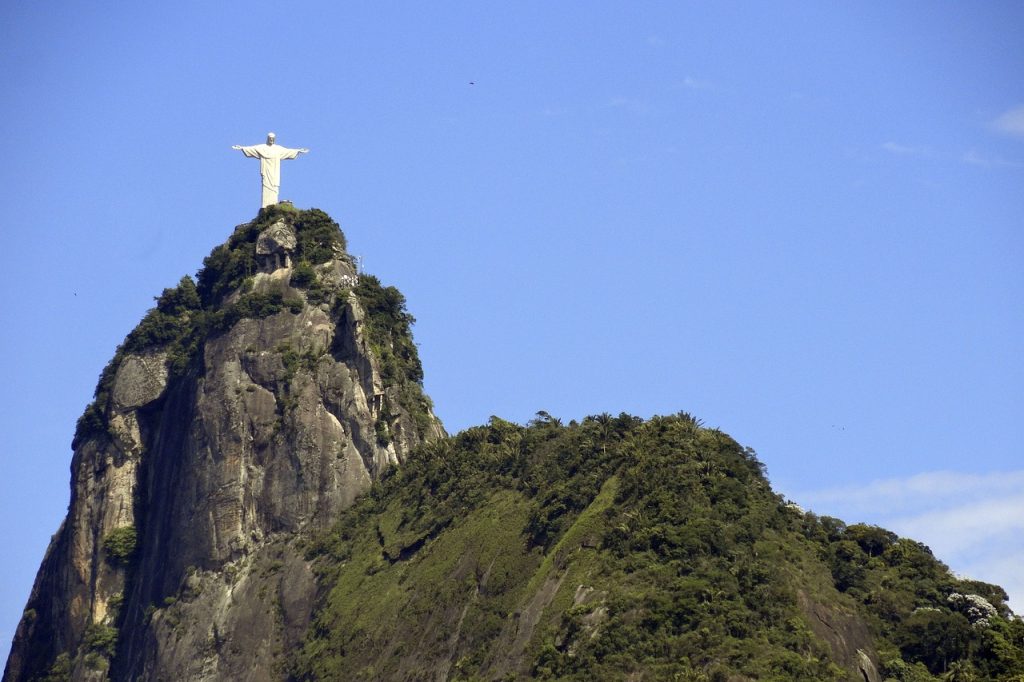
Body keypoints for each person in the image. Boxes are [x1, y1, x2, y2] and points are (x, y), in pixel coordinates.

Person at [232, 132, 309, 207]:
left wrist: (298, 151)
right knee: (266, 186)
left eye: (273, 139)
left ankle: (273, 204)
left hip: (275, 172)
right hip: (266, 171)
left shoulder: (278, 149)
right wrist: (242, 148)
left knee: (274, 187)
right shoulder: (261, 148)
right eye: (270, 139)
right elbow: (252, 149)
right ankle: (266, 205)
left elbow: (288, 151)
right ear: (267, 139)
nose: (271, 140)